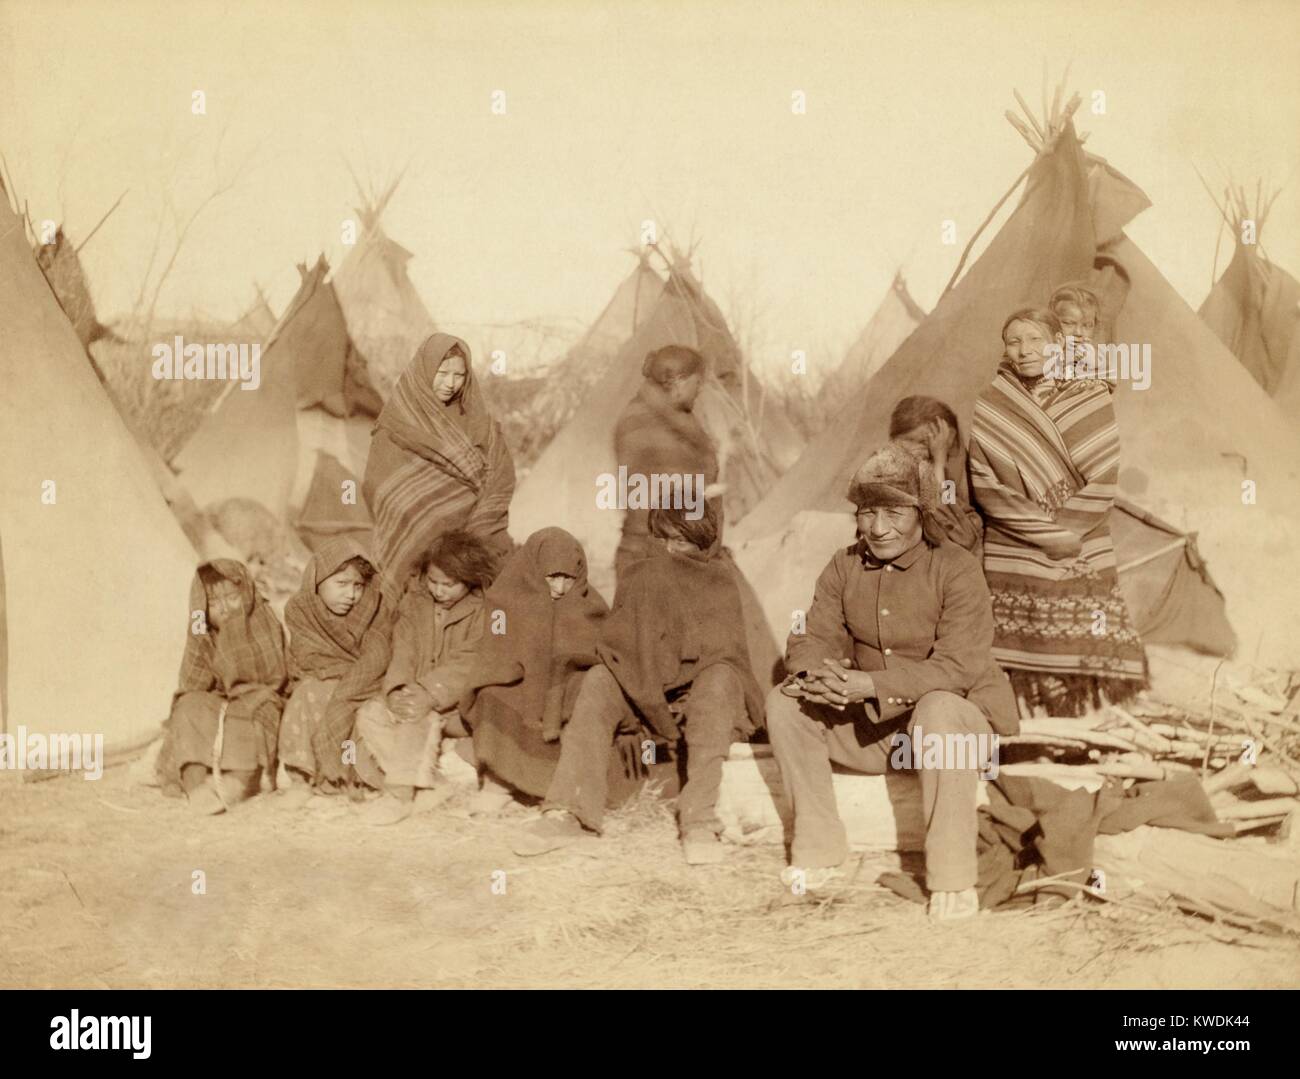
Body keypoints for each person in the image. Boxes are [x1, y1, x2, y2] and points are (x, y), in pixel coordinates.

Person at [765, 444, 1019, 921]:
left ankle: (952, 878)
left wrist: (867, 686)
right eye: (867, 512)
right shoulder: (845, 565)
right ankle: (818, 851)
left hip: (954, 730)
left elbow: (957, 668)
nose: (878, 528)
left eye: (893, 512)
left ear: (921, 512)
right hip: (883, 733)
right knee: (785, 700)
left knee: (939, 707)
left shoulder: (956, 568)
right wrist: (814, 675)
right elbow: (809, 632)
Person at [512, 500, 763, 865]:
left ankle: (699, 819)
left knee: (720, 682)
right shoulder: (640, 575)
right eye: (660, 539)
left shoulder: (720, 580)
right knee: (599, 680)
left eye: (680, 541)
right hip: (646, 685)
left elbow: (725, 653)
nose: (668, 550)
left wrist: (675, 682)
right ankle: (572, 813)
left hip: (702, 691)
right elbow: (621, 647)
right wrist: (647, 689)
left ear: (702, 541)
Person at [967, 305, 1146, 717]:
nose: (1024, 350)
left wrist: (1065, 532)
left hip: (1079, 539)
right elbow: (983, 480)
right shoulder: (991, 402)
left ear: (1057, 344)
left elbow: (1104, 475)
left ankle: (1081, 732)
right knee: (1017, 653)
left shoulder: (1088, 394)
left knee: (1083, 639)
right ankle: (1026, 734)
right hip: (1013, 544)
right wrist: (1040, 532)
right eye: (1014, 341)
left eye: (1035, 340)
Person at [352, 531, 495, 825]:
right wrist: (398, 688)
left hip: (455, 704)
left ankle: (399, 795)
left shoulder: (482, 612)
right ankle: (431, 784)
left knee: (416, 717)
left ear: (469, 580)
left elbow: (470, 660)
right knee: (370, 713)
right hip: (414, 693)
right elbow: (404, 650)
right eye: (433, 582)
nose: (439, 591)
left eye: (449, 585)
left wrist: (430, 692)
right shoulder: (414, 605)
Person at [461, 528, 609, 808]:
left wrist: (560, 667)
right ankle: (499, 783)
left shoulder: (590, 604)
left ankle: (549, 785)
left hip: (564, 685)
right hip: (518, 679)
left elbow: (597, 654)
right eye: (553, 577)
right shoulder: (505, 600)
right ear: (533, 569)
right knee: (493, 693)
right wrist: (526, 666)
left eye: (569, 578)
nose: (561, 588)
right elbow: (497, 654)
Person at [363, 333, 515, 598]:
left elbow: (501, 474)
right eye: (442, 373)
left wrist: (473, 528)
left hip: (479, 534)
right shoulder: (396, 425)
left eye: (459, 375)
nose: (451, 384)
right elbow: (380, 489)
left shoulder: (480, 423)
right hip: (412, 544)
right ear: (423, 372)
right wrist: (430, 515)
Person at [157, 560, 287, 815]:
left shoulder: (262, 619)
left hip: (259, 698)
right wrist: (200, 639)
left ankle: (237, 783)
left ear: (246, 592)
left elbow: (276, 678)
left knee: (259, 712)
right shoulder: (202, 629)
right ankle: (196, 786)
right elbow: (193, 683)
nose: (225, 608)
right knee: (189, 704)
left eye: (231, 597)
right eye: (213, 604)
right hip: (222, 702)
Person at [278, 538, 393, 806]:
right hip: (321, 678)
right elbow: (307, 656)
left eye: (358, 586)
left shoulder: (375, 609)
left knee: (351, 705)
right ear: (317, 581)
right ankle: (302, 778)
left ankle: (344, 779)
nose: (351, 594)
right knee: (307, 695)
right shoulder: (300, 610)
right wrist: (336, 674)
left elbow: (377, 658)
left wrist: (346, 684)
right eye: (341, 584)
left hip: (365, 683)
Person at [612, 344, 720, 584]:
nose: (700, 389)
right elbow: (647, 497)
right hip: (654, 557)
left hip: (681, 550)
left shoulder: (676, 418)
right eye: (698, 382)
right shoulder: (641, 422)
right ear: (680, 381)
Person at [888, 395, 984, 560]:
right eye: (904, 442)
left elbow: (954, 523)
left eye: (924, 441)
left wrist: (939, 463)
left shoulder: (953, 477)